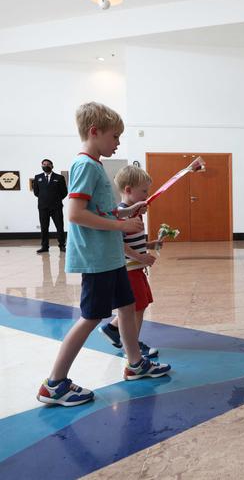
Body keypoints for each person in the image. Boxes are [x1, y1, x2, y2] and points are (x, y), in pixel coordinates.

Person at [36, 102, 171, 407]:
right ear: (94, 132)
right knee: (91, 316)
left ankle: (136, 363)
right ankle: (55, 383)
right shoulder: (85, 164)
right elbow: (75, 213)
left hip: (111, 257)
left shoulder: (95, 165)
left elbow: (100, 210)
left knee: (127, 305)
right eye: (115, 136)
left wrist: (127, 211)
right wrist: (121, 224)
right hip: (97, 258)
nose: (118, 142)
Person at [99, 165, 160, 359]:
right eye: (143, 191)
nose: (147, 195)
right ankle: (132, 347)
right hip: (129, 269)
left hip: (136, 268)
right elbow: (119, 244)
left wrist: (150, 244)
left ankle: (113, 329)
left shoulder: (135, 212)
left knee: (140, 306)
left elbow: (132, 241)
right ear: (128, 190)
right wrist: (141, 257)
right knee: (136, 309)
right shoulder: (121, 213)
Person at [33, 158, 68, 253]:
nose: (45, 166)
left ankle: (62, 245)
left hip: (56, 207)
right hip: (43, 207)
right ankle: (45, 246)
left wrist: (55, 200)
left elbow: (64, 192)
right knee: (44, 227)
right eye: (43, 164)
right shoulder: (37, 177)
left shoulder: (59, 178)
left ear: (52, 166)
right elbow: (36, 192)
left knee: (59, 227)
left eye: (48, 164)